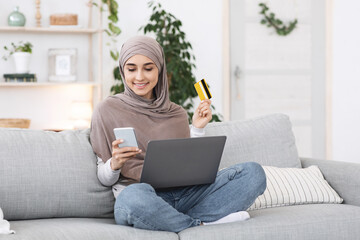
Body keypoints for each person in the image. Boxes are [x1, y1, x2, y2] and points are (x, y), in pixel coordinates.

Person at [90, 36, 266, 233]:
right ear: (123, 71)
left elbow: (187, 165)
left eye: (148, 68)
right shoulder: (107, 110)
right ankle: (200, 225)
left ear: (160, 70)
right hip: (144, 196)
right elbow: (104, 178)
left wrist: (197, 129)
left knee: (253, 173)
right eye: (131, 69)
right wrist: (115, 164)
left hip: (186, 194)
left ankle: (179, 222)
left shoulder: (176, 113)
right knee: (131, 198)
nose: (139, 77)